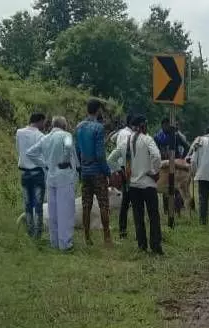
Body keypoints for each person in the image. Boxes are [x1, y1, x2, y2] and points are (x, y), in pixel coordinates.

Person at [26, 116, 78, 252]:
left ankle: (54, 242)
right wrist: (66, 161)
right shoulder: (67, 135)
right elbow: (68, 148)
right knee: (65, 211)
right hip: (65, 177)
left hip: (50, 177)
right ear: (64, 125)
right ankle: (65, 244)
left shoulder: (45, 138)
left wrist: (45, 164)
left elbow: (30, 153)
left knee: (53, 211)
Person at [120, 115, 163, 254]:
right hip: (148, 184)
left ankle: (142, 245)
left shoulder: (126, 141)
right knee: (153, 216)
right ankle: (155, 246)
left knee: (138, 216)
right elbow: (156, 156)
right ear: (143, 125)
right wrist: (154, 171)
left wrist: (123, 171)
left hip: (133, 185)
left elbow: (113, 157)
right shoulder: (147, 139)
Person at [75, 99, 112, 246]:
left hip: (85, 171)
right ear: (98, 110)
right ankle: (107, 238)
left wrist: (81, 168)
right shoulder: (98, 128)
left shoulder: (79, 127)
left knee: (86, 204)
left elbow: (77, 151)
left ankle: (87, 237)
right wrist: (107, 171)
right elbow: (100, 154)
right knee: (103, 204)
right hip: (97, 171)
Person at [16, 113, 47, 239]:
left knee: (28, 204)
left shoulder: (19, 133)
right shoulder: (41, 136)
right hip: (37, 172)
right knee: (38, 206)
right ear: (39, 121)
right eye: (44, 122)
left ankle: (29, 231)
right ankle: (37, 234)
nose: (44, 125)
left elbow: (19, 150)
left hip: (24, 172)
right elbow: (42, 155)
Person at [107, 116, 135, 239]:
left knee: (125, 201)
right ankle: (135, 231)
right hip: (130, 169)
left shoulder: (121, 132)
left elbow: (111, 139)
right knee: (135, 202)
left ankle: (122, 231)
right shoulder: (133, 137)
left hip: (122, 167)